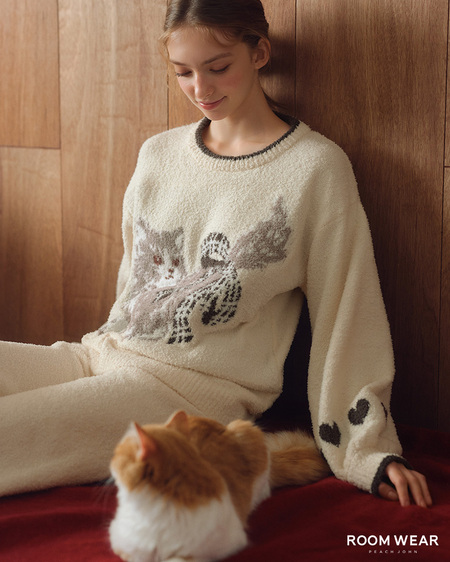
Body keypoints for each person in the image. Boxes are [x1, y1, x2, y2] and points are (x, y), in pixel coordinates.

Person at [0, 0, 431, 508]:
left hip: (187, 395)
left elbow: (348, 310)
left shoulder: (315, 170)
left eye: (218, 67)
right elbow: (132, 288)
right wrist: (103, 351)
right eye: (183, 72)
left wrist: (369, 451)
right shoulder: (157, 155)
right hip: (102, 353)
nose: (200, 89)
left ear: (259, 53)